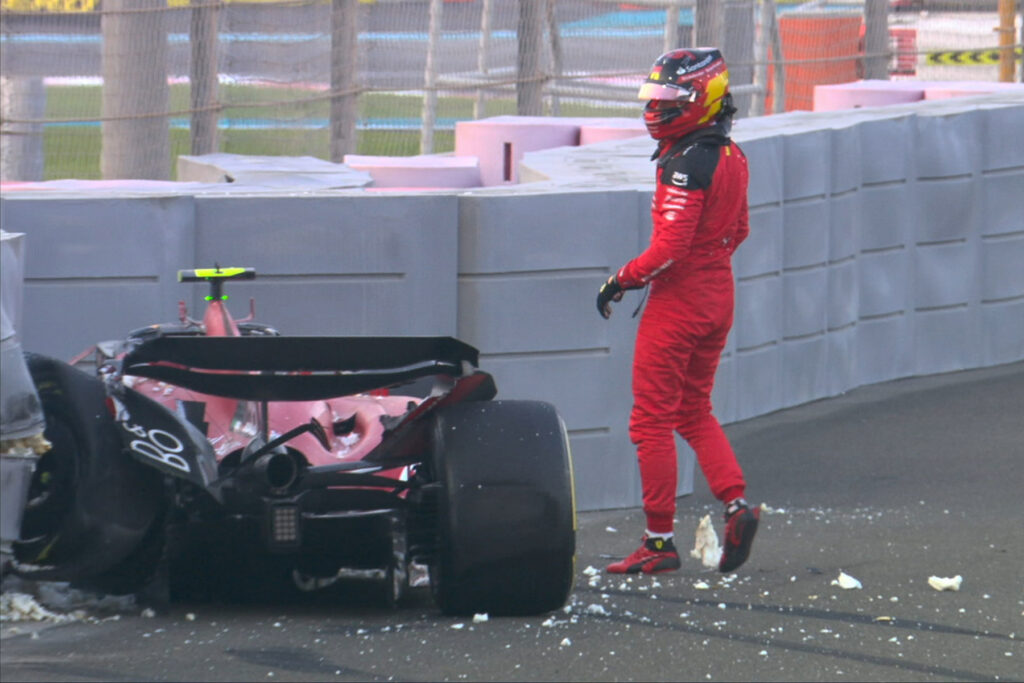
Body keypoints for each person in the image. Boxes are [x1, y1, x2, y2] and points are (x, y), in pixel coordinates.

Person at [597, 48, 758, 575]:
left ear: (702, 100)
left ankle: (659, 542)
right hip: (719, 295)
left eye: (671, 98)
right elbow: (740, 232)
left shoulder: (685, 161)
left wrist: (620, 279)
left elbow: (669, 248)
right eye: (656, 96)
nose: (657, 107)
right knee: (694, 410)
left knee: (650, 422)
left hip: (680, 301)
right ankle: (736, 505)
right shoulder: (733, 155)